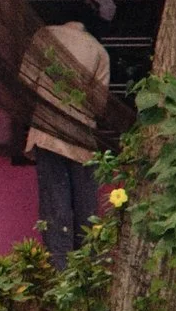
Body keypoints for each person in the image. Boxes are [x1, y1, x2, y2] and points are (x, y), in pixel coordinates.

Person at [21, 16, 114, 268]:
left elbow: (26, 79)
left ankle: (60, 271)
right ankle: (88, 271)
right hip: (81, 140)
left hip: (47, 134)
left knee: (54, 205)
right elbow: (99, 104)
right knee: (87, 208)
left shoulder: (44, 36)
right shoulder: (98, 51)